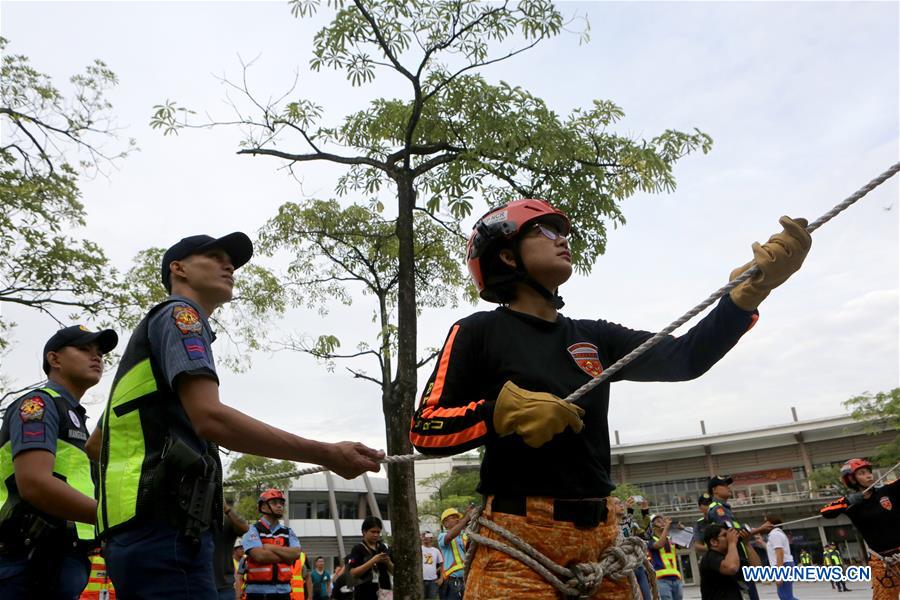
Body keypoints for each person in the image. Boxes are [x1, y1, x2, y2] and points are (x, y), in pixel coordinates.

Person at [409, 198, 811, 599]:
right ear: (506, 255)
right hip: (516, 544)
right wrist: (500, 413)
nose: (563, 239)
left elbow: (685, 358)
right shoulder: (477, 332)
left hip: (602, 543)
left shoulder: (594, 337)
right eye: (546, 231)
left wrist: (746, 297)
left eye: (564, 232)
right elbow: (425, 428)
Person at [94, 232, 384, 599]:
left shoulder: (146, 349)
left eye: (230, 260)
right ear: (178, 269)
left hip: (136, 536)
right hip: (167, 535)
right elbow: (210, 418)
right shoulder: (180, 316)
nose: (228, 265)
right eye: (214, 256)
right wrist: (324, 453)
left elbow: (96, 444)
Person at [0, 325, 117, 599]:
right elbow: (34, 483)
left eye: (99, 352)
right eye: (84, 349)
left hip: (61, 557)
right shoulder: (39, 405)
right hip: (23, 558)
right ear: (54, 359)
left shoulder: (75, 417)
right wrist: (111, 518)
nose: (97, 357)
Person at [821, 458, 898, 600]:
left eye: (869, 471)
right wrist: (847, 501)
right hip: (883, 562)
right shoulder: (850, 504)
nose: (869, 475)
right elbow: (825, 512)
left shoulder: (887, 491)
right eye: (862, 473)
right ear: (852, 479)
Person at [707, 475, 773, 600]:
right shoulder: (717, 509)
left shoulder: (725, 509)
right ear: (715, 489)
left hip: (741, 562)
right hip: (735, 565)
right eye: (724, 485)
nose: (728, 488)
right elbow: (731, 532)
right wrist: (759, 530)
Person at [240, 488, 301, 600]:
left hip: (284, 594)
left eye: (281, 503)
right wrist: (287, 556)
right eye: (274, 503)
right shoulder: (251, 530)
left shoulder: (288, 532)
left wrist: (269, 547)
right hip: (258, 594)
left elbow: (296, 553)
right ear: (263, 507)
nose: (279, 506)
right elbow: (260, 556)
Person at [612, 497, 651, 600]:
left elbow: (647, 535)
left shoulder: (632, 524)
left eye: (621, 503)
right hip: (619, 570)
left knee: (646, 597)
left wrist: (644, 511)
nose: (621, 505)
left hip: (637, 566)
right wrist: (629, 510)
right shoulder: (606, 528)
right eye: (617, 503)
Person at [346, 516, 393, 600]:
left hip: (385, 593)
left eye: (378, 532)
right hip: (364, 594)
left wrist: (388, 562)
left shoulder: (384, 548)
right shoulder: (357, 549)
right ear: (364, 531)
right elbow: (352, 573)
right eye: (373, 531)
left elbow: (394, 572)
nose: (376, 535)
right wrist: (372, 561)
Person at [699, 525, 743, 600]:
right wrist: (732, 543)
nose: (730, 537)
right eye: (725, 535)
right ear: (714, 542)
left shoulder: (730, 556)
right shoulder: (710, 557)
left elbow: (755, 568)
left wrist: (747, 543)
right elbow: (731, 568)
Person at [216, 501, 249, 600]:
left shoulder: (226, 520)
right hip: (198, 586)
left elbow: (245, 528)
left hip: (223, 587)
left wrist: (227, 509)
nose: (242, 550)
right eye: (240, 548)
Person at [437, 507, 470, 600]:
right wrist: (466, 518)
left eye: (458, 517)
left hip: (467, 580)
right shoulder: (442, 536)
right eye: (454, 517)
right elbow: (450, 536)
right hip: (452, 582)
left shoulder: (464, 536)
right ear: (445, 523)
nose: (457, 519)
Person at [649, 515, 683, 600]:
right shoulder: (650, 540)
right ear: (653, 527)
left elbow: (686, 544)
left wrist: (681, 530)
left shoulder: (671, 538)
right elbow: (659, 544)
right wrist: (667, 529)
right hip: (661, 580)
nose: (662, 522)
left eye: (663, 520)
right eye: (658, 521)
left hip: (676, 578)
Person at [764, 514, 798, 600]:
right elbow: (773, 551)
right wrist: (761, 543)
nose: (763, 525)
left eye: (765, 522)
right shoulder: (777, 534)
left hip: (783, 565)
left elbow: (779, 553)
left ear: (770, 524)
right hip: (784, 565)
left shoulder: (775, 534)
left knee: (785, 597)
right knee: (785, 596)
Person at [420, 531, 443, 600]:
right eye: (423, 536)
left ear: (431, 538)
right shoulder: (418, 549)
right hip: (420, 580)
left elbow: (442, 564)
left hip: (433, 581)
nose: (424, 537)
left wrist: (441, 578)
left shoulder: (436, 551)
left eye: (427, 535)